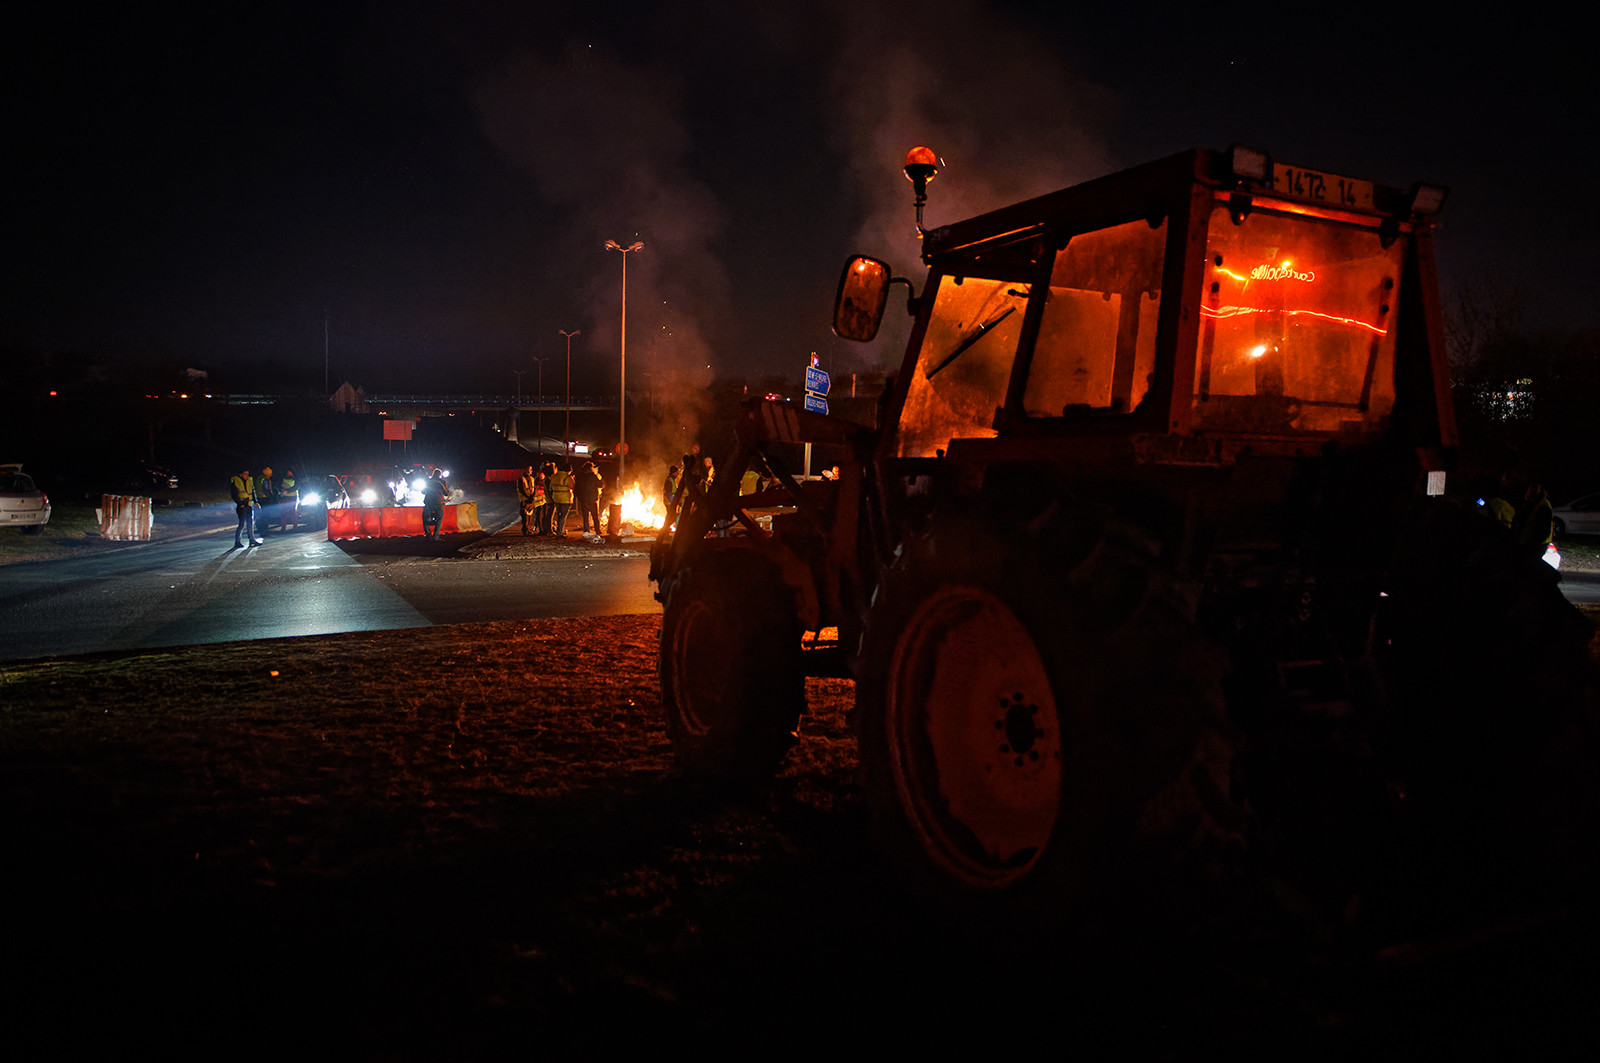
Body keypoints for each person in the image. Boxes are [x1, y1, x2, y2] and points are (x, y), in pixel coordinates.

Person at [230, 467, 262, 548]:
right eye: (245, 474)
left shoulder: (249, 480)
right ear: (240, 474)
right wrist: (240, 503)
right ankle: (237, 542)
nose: (247, 475)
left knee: (250, 523)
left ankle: (252, 540)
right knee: (242, 524)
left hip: (249, 504)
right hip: (242, 505)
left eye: (247, 474)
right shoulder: (236, 481)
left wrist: (255, 501)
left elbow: (252, 491)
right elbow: (234, 494)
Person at [574, 459, 603, 535]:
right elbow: (600, 485)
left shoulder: (579, 476)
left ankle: (586, 530)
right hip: (591, 498)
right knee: (595, 515)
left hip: (583, 499)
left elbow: (576, 488)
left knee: (585, 516)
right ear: (591, 468)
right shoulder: (592, 476)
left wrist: (579, 496)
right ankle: (597, 530)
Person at [548, 459, 575, 537]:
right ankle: (559, 532)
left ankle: (559, 530)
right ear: (568, 470)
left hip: (556, 498)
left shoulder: (554, 477)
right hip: (566, 499)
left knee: (559, 514)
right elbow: (572, 487)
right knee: (563, 516)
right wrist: (572, 479)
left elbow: (550, 488)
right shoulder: (568, 477)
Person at [421, 468, 448, 538]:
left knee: (425, 518)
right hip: (439, 503)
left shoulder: (428, 481)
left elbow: (423, 492)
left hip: (428, 503)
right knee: (439, 519)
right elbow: (446, 493)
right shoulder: (442, 482)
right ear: (440, 475)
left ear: (433, 474)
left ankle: (427, 534)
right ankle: (436, 536)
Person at [517, 465, 539, 536]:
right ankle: (525, 530)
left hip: (530, 500)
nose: (531, 470)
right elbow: (522, 490)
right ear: (525, 469)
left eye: (531, 469)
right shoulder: (521, 479)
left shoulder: (532, 479)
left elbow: (534, 489)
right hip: (524, 500)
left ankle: (529, 529)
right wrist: (529, 497)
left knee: (530, 516)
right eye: (530, 469)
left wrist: (533, 497)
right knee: (525, 516)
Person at [255, 466, 277, 535]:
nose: (271, 474)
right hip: (265, 499)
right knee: (266, 515)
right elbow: (266, 489)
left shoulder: (259, 479)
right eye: (270, 473)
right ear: (268, 474)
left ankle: (261, 529)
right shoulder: (266, 480)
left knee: (261, 515)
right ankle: (265, 531)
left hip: (259, 498)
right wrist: (271, 497)